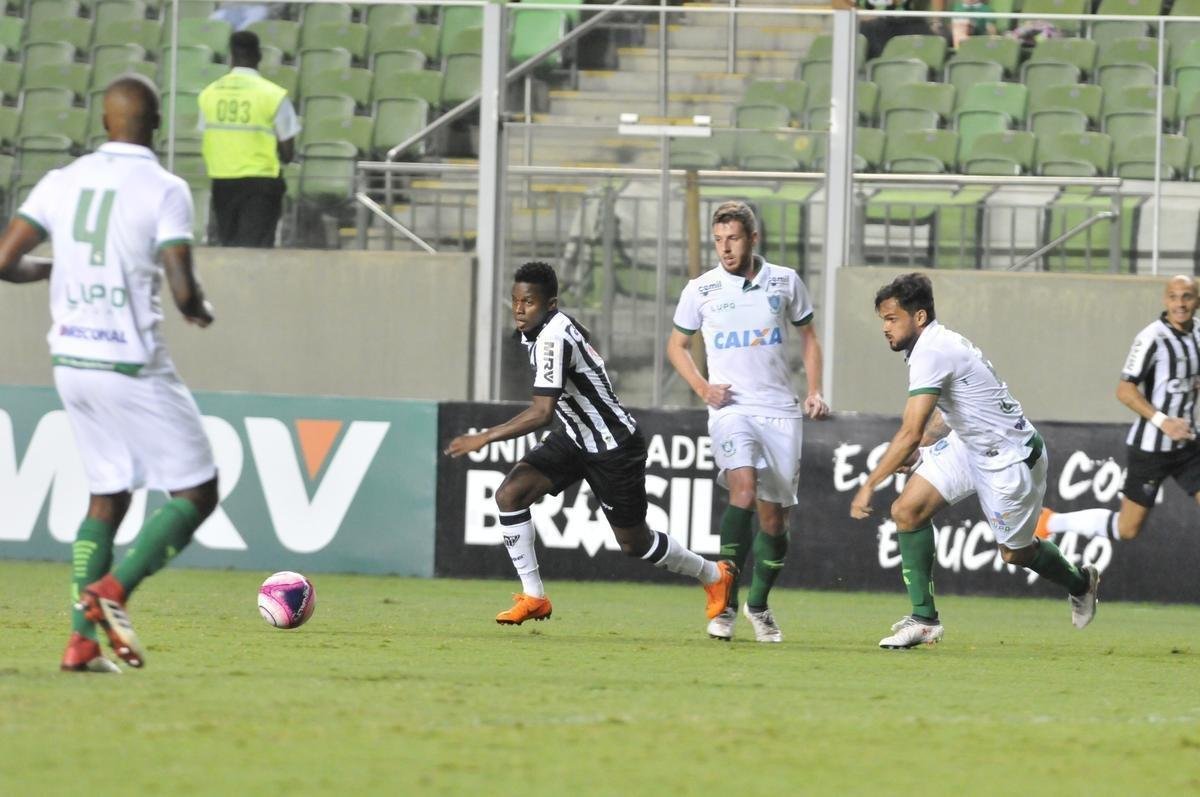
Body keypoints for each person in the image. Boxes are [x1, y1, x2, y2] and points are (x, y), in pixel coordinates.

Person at [0, 75, 220, 672]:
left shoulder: (60, 181)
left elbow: (3, 260)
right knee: (198, 490)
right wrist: (199, 309)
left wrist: (54, 270)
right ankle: (111, 592)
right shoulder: (164, 187)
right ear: (156, 123)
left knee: (107, 496)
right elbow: (181, 288)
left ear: (104, 122)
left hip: (71, 361)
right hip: (130, 362)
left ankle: (79, 644)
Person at [445, 261, 737, 625]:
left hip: (614, 446)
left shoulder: (553, 337)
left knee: (636, 544)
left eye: (529, 302)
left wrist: (484, 437)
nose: (519, 309)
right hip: (575, 438)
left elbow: (541, 413)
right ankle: (534, 596)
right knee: (510, 495)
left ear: (550, 304)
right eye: (516, 300)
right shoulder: (550, 327)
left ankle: (715, 575)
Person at [849, 272, 1099, 649]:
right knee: (907, 510)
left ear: (918, 317)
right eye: (882, 319)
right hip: (971, 447)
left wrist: (869, 484)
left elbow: (909, 432)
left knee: (1014, 551)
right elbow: (949, 412)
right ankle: (924, 620)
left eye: (891, 318)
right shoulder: (933, 345)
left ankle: (1080, 582)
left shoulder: (932, 350)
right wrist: (924, 446)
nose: (884, 327)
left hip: (1010, 459)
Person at [665, 201, 829, 644]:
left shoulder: (785, 281)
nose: (725, 248)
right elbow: (676, 346)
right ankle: (726, 602)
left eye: (733, 239)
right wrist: (703, 388)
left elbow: (809, 337)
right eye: (718, 241)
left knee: (775, 520)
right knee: (742, 486)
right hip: (730, 408)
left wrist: (814, 390)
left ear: (752, 239)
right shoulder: (701, 290)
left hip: (780, 411)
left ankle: (758, 604)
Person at [1037, 275, 1200, 542]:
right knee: (1127, 529)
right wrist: (1163, 421)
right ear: (1165, 300)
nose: (1180, 303)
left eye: (1187, 297)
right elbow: (1124, 390)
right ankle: (1051, 521)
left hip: (1189, 445)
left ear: (1198, 301)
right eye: (1173, 296)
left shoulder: (1198, 334)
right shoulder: (1151, 338)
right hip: (1151, 449)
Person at [197, 31, 300, 248]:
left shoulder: (209, 94)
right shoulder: (273, 95)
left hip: (222, 182)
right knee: (254, 253)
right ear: (259, 55)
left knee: (229, 247)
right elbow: (288, 152)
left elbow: (206, 134)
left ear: (231, 56)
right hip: (260, 182)